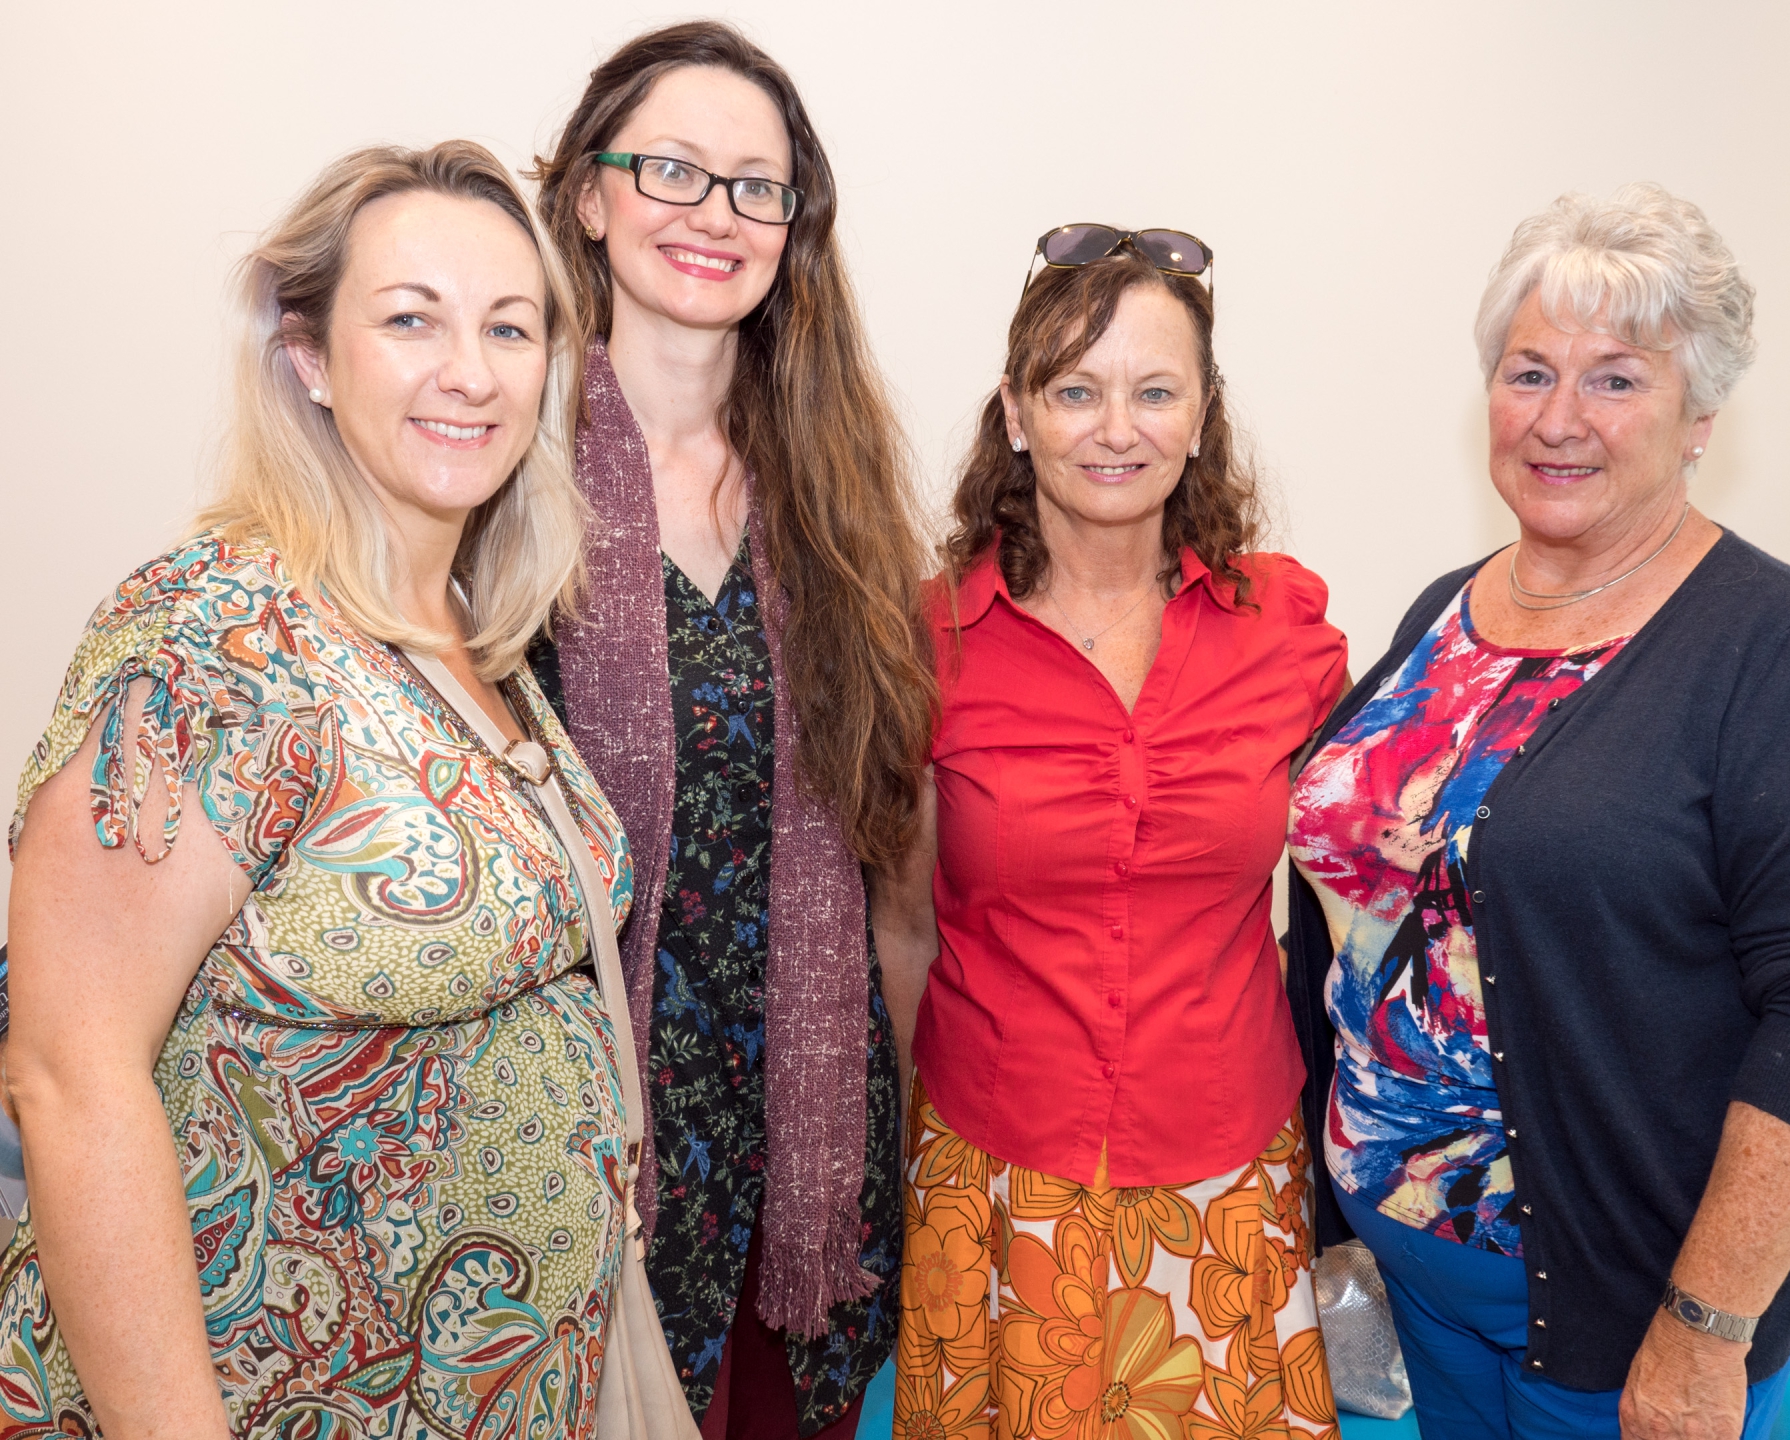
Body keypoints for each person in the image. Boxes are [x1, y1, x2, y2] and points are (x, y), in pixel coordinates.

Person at [1, 142, 637, 1437]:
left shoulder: (472, 634)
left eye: (508, 328)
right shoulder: (212, 640)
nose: (470, 371)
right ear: (308, 357)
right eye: (411, 320)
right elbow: (70, 1075)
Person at [1284, 183, 1790, 1440]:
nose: (1559, 418)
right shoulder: (1444, 612)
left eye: (1617, 380)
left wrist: (1705, 1331)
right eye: (1530, 373)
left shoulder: (1786, 650)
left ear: (1700, 417)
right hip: (1416, 1285)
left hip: (1626, 1322)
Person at [873, 228, 1350, 1439]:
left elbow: (1358, 911)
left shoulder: (1288, 630)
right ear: (1016, 414)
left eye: (1155, 392)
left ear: (1203, 416)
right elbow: (904, 929)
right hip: (996, 1181)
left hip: (1227, 1178)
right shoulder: (928, 643)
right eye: (1076, 391)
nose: (1116, 429)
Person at [529, 22, 934, 1437]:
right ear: (589, 194)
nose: (714, 213)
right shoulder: (498, 471)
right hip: (586, 1135)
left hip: (802, 1137)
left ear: (792, 227)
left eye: (756, 186)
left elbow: (889, 850)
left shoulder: (832, 487)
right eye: (672, 169)